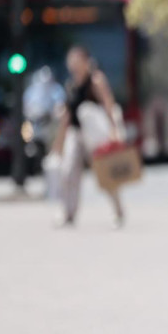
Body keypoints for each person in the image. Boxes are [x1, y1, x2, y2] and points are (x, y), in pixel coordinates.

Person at [54, 46, 125, 227]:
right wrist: (58, 144)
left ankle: (117, 211)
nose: (73, 65)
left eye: (76, 61)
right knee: (68, 172)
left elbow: (109, 104)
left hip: (95, 136)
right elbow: (67, 117)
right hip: (76, 134)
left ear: (86, 61)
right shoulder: (70, 85)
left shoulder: (96, 80)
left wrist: (114, 130)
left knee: (104, 173)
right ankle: (68, 213)